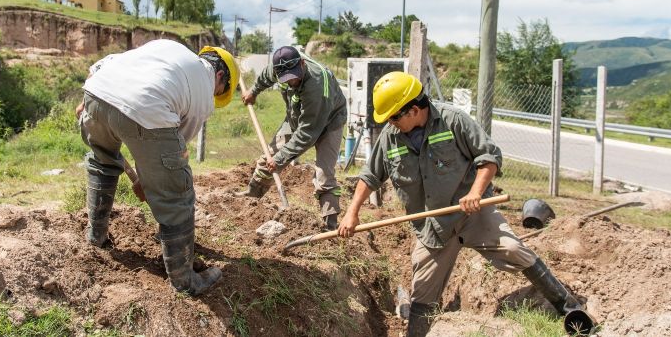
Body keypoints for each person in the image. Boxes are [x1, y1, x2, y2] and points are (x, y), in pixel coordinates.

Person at [338, 72, 590, 336]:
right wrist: (351, 213)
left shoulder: (453, 121)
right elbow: (370, 176)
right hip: (431, 227)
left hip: (473, 216)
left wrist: (475, 193)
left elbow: (489, 156)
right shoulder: (390, 137)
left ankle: (569, 308)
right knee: (423, 291)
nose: (389, 122)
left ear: (413, 110)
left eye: (393, 116)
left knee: (515, 249)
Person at [78, 39, 239, 296]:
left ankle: (96, 237)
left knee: (102, 163)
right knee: (176, 194)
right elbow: (172, 158)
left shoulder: (165, 48)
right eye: (220, 91)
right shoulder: (203, 90)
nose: (215, 96)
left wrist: (87, 102)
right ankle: (185, 281)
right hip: (143, 106)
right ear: (220, 76)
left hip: (96, 93)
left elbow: (102, 64)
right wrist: (152, 183)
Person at [238, 46, 347, 230]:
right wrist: (253, 91)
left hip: (329, 121)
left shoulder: (317, 84)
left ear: (302, 64)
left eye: (294, 77)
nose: (291, 82)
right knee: (269, 156)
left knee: (324, 172)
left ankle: (330, 223)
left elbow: (307, 134)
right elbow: (266, 76)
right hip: (297, 117)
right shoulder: (279, 67)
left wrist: (281, 159)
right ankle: (252, 195)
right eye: (286, 79)